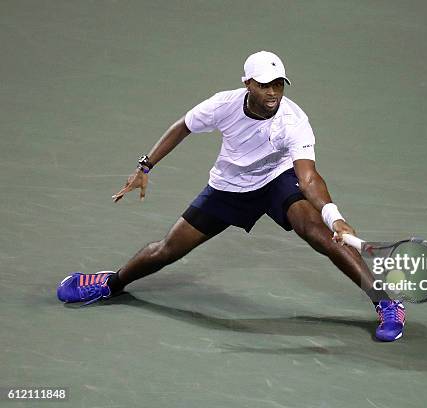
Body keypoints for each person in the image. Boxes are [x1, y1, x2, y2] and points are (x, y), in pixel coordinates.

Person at [56, 51, 405, 342]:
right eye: (265, 85)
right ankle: (111, 283)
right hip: (230, 187)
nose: (273, 93)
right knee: (168, 249)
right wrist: (145, 166)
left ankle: (387, 303)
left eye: (279, 85)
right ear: (247, 84)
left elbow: (308, 177)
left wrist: (334, 216)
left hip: (277, 180)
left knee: (322, 235)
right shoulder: (221, 105)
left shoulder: (293, 121)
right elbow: (183, 127)